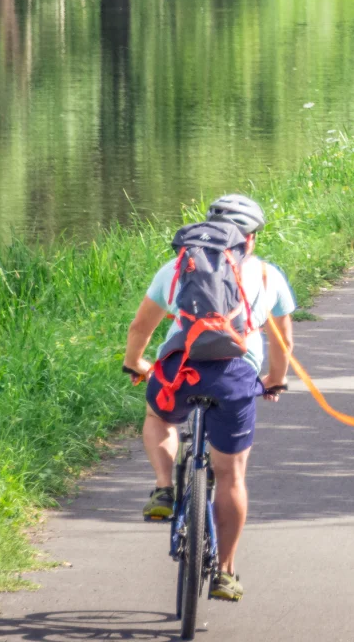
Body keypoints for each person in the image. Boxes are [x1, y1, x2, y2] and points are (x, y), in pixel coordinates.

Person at [123, 193, 293, 603]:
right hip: (235, 377)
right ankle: (226, 572)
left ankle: (164, 488)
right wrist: (273, 380)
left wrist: (136, 363)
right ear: (250, 238)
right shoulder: (269, 276)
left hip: (180, 371)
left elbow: (140, 326)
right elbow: (283, 341)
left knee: (158, 417)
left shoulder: (179, 267)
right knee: (232, 475)